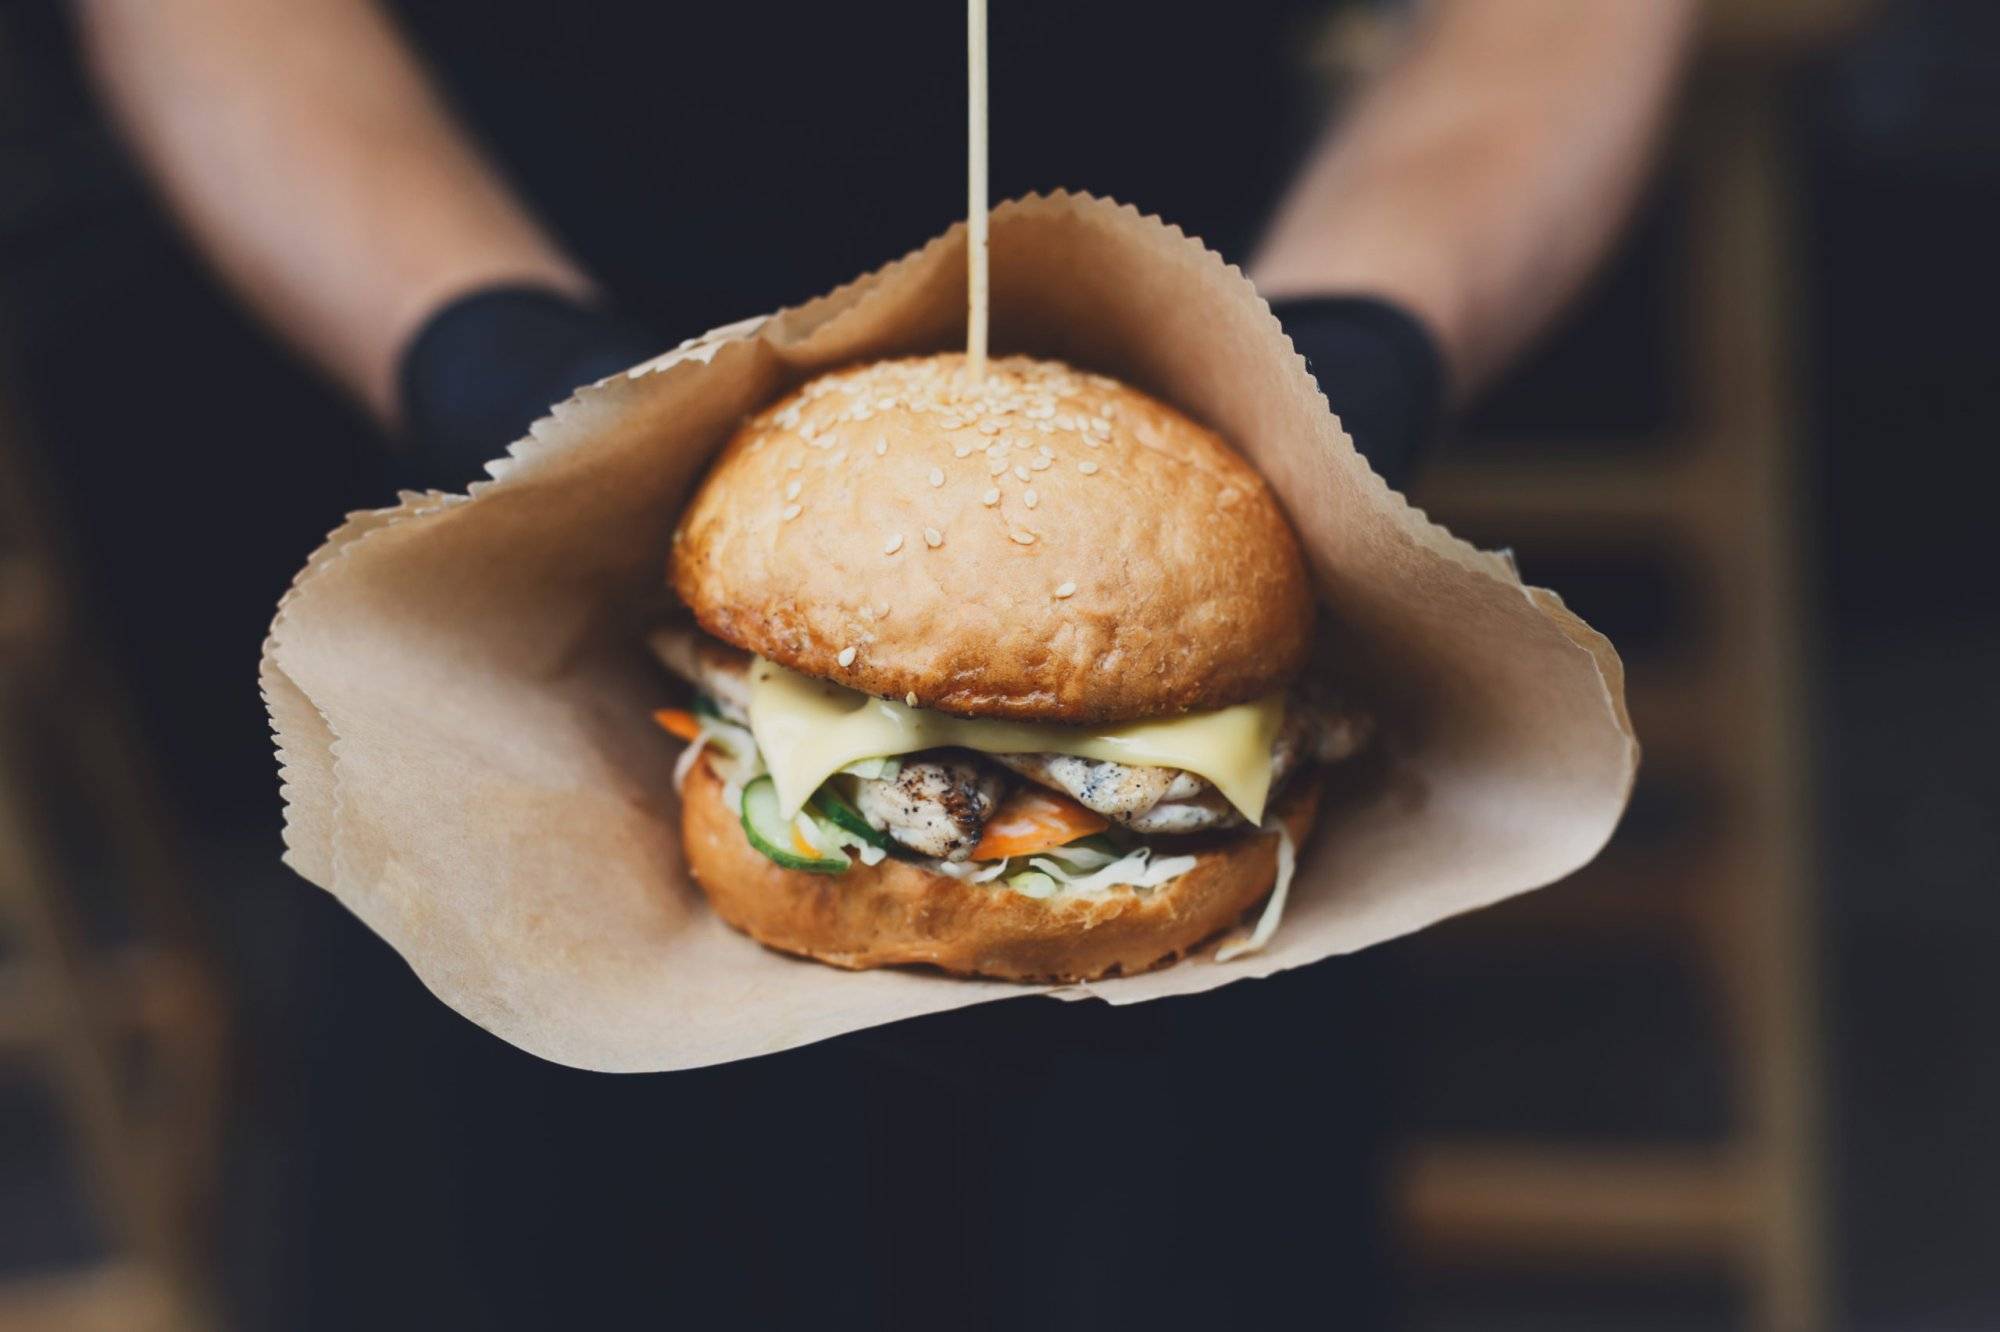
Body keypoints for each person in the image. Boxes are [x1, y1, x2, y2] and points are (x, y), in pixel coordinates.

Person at [68, 1, 1696, 1326]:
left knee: (1181, 1241)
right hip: (518, 576)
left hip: (1213, 449)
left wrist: (1360, 350)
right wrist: (483, 356)